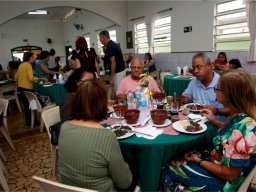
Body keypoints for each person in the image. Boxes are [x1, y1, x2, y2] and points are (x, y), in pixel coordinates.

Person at [159, 70, 256, 192]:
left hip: (225, 183)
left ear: (229, 95)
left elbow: (229, 174)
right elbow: (229, 135)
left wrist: (198, 161)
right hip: (219, 161)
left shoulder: (243, 129)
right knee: (180, 154)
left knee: (167, 166)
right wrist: (215, 120)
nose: (215, 91)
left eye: (218, 88)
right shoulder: (240, 116)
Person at [59, 79, 132, 191]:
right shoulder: (107, 136)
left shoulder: (64, 127)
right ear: (102, 105)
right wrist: (126, 166)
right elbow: (124, 183)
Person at [181, 53, 226, 118]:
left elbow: (235, 110)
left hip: (218, 123)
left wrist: (217, 111)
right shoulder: (193, 82)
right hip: (198, 122)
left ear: (210, 66)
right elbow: (185, 97)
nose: (195, 71)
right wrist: (184, 98)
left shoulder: (222, 81)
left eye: (199, 67)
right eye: (194, 68)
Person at [14, 52, 47, 126]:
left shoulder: (21, 65)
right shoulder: (28, 65)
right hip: (27, 88)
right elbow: (31, 78)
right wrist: (41, 78)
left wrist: (18, 84)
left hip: (21, 88)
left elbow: (15, 77)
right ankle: (34, 122)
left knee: (26, 106)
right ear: (30, 58)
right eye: (33, 57)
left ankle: (28, 122)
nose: (34, 59)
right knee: (32, 105)